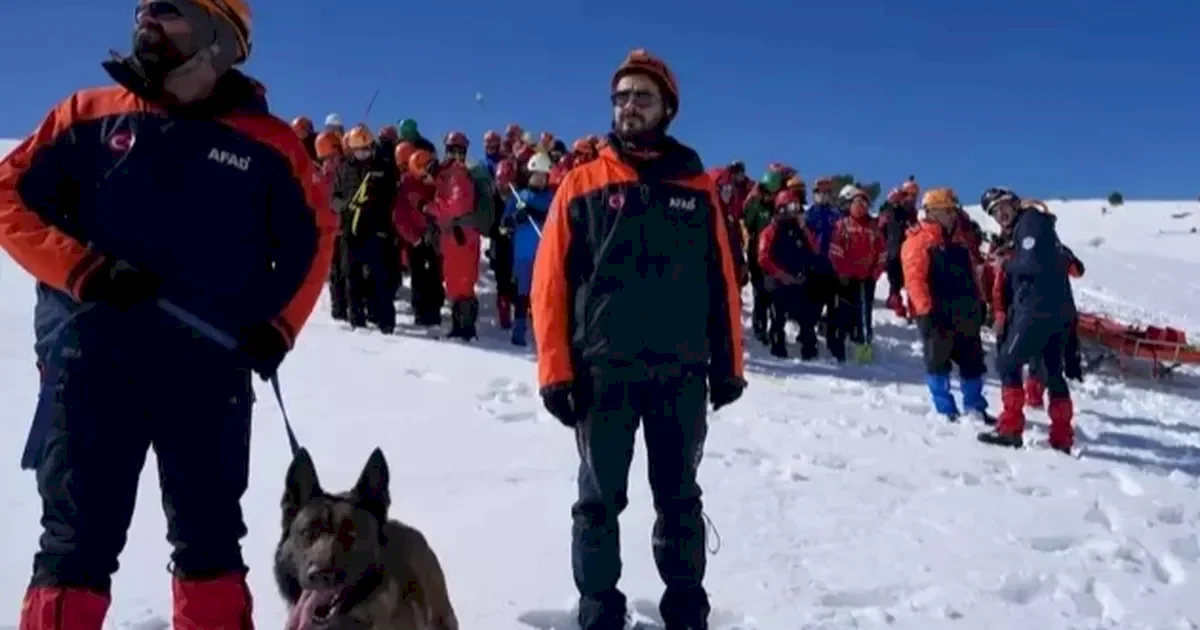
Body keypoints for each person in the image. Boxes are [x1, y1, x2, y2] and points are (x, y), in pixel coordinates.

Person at [0, 0, 336, 626]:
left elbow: (314, 237)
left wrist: (278, 325)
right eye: (144, 7)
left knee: (209, 543)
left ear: (219, 35)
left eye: (169, 9)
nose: (147, 19)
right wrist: (85, 270)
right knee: (73, 549)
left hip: (208, 376)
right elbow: (7, 198)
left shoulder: (271, 144)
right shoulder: (86, 115)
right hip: (89, 365)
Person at [531, 48, 745, 630]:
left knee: (680, 500)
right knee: (598, 502)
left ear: (667, 107)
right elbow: (549, 283)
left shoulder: (697, 187)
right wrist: (555, 372)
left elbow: (722, 281)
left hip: (680, 372)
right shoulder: (581, 183)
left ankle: (686, 612)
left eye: (641, 96)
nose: (629, 106)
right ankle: (599, 611)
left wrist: (729, 364)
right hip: (604, 371)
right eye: (621, 96)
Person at [976, 188, 1078, 452]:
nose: (1000, 214)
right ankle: (1062, 437)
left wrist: (1005, 265)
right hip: (1058, 309)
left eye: (1002, 207)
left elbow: (1033, 264)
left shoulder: (1030, 222)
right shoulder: (1038, 226)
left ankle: (1011, 428)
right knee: (1054, 372)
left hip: (1036, 308)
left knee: (1007, 363)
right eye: (994, 212)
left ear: (1014, 202)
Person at [901, 188, 989, 422]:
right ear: (933, 212)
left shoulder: (959, 240)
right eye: (948, 210)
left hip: (965, 312)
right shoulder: (918, 241)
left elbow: (972, 275)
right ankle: (945, 409)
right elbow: (914, 280)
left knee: (973, 361)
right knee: (938, 362)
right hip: (936, 313)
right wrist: (924, 311)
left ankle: (975, 407)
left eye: (953, 210)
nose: (952, 215)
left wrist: (980, 302)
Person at [758, 188, 843, 360]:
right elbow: (763, 257)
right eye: (791, 207)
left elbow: (815, 249)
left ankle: (808, 344)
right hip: (778, 279)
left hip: (799, 277)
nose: (795, 210)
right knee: (778, 312)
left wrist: (804, 229)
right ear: (781, 208)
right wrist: (782, 275)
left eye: (797, 207)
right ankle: (777, 344)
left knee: (809, 309)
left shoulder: (800, 229)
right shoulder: (771, 229)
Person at [501, 151, 553, 346]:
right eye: (536, 174)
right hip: (522, 255)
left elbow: (554, 220)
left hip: (544, 254)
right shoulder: (519, 197)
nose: (539, 178)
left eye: (543, 174)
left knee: (542, 296)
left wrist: (535, 213)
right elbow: (504, 226)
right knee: (522, 295)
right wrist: (516, 218)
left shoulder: (551, 198)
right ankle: (519, 333)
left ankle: (543, 336)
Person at [829, 186, 886, 363]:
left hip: (866, 279)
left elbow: (882, 254)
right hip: (846, 279)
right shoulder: (842, 225)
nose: (860, 206)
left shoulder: (874, 227)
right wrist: (843, 272)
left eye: (864, 203)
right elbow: (835, 251)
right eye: (857, 202)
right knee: (843, 314)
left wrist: (875, 274)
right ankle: (839, 351)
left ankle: (863, 351)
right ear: (850, 205)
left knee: (864, 315)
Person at [878, 178, 920, 319]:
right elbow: (882, 225)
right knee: (896, 279)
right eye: (909, 194)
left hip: (907, 251)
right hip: (894, 251)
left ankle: (906, 304)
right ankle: (896, 302)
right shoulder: (893, 209)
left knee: (908, 280)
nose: (912, 198)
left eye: (915, 195)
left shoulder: (911, 212)